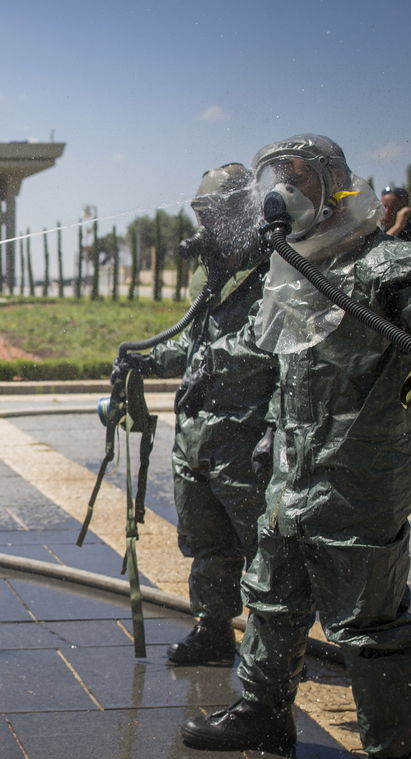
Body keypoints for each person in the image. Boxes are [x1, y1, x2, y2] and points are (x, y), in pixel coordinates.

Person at [180, 135, 411, 759]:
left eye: (298, 177)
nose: (282, 190)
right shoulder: (291, 269)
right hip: (290, 480)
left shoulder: (386, 264)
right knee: (271, 599)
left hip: (359, 483)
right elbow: (269, 357)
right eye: (273, 177)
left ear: (336, 185)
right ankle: (263, 711)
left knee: (371, 627)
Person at [114, 163, 273, 666]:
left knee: (264, 546)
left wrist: (213, 365)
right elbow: (195, 341)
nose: (204, 224)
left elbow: (275, 345)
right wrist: (147, 360)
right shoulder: (211, 271)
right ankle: (213, 629)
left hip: (247, 432)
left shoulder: (277, 267)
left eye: (214, 213)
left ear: (243, 212)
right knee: (207, 541)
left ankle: (273, 647)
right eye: (200, 213)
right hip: (199, 432)